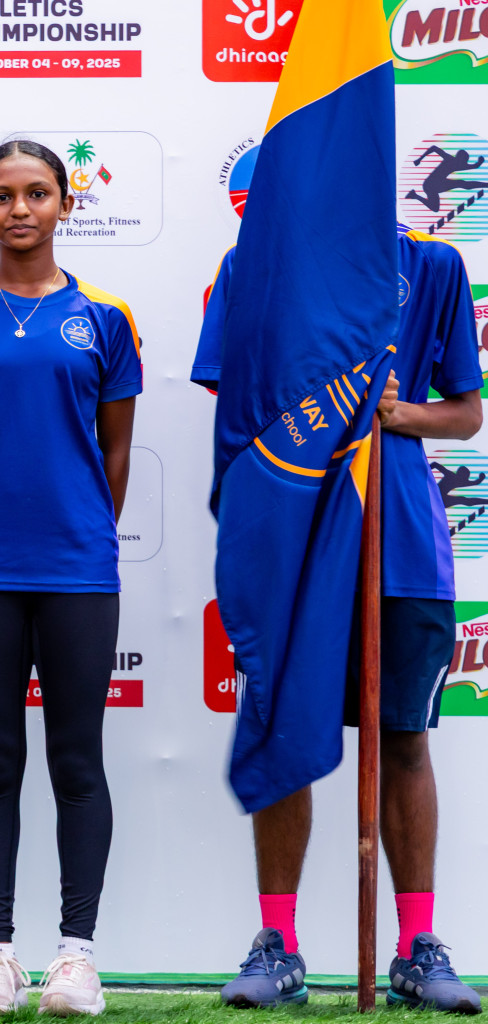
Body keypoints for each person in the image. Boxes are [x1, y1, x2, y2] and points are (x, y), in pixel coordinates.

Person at [193, 225, 483, 1015]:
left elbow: (465, 414)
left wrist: (398, 412)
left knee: (405, 741)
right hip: (293, 540)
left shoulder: (432, 262)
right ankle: (278, 945)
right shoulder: (252, 263)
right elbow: (235, 403)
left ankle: (417, 948)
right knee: (281, 733)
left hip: (402, 545)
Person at [0, 140, 140, 1018]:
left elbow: (115, 450)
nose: (20, 210)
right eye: (3, 196)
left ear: (64, 205)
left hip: (78, 570)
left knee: (77, 759)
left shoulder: (106, 317)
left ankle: (77, 957)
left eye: (38, 193)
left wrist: (82, 529)